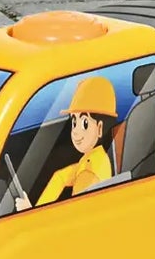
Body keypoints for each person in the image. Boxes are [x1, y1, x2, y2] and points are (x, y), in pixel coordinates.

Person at [10, 75, 119, 211]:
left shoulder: (89, 172)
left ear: (100, 128)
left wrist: (32, 214)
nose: (75, 132)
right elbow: (60, 177)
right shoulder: (93, 158)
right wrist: (36, 209)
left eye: (84, 123)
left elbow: (76, 215)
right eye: (74, 122)